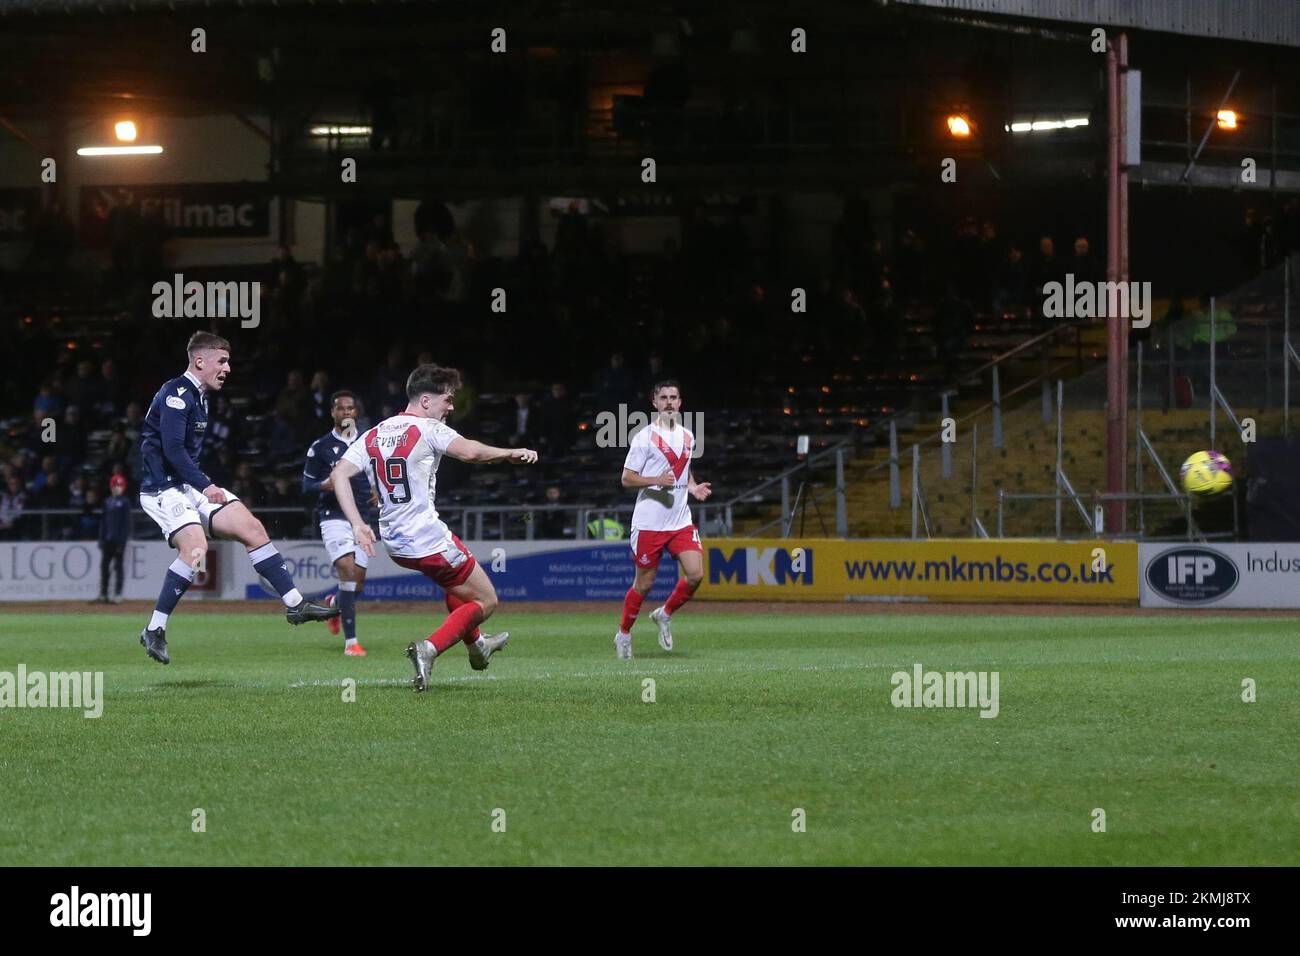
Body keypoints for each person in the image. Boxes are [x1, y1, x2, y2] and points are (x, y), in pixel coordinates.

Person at [329, 364, 538, 692]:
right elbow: (470, 452)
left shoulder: (375, 432)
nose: (451, 406)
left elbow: (339, 474)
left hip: (396, 544)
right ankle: (430, 648)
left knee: (458, 590)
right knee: (486, 601)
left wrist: (357, 524)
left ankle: (478, 646)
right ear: (426, 401)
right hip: (427, 539)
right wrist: (510, 453)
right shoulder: (427, 428)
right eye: (447, 400)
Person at [135, 331, 338, 665]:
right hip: (162, 487)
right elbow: (171, 450)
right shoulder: (177, 393)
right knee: (196, 548)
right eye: (222, 361)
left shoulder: (200, 397)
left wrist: (199, 485)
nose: (228, 369)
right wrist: (205, 485)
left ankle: (294, 604)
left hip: (187, 486)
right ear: (199, 361)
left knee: (252, 527)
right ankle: (155, 629)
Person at [614, 380, 712, 659]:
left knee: (696, 575)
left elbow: (684, 468)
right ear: (654, 403)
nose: (669, 402)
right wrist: (655, 479)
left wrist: (692, 487)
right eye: (664, 398)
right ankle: (623, 634)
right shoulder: (644, 437)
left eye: (674, 397)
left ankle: (664, 613)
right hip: (650, 522)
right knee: (644, 584)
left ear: (680, 403)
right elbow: (627, 478)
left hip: (679, 519)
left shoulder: (688, 436)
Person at [302, 390, 380, 657]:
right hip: (333, 517)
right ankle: (352, 644)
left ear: (355, 412)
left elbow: (374, 473)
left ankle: (334, 603)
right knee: (346, 569)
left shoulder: (367, 442)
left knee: (357, 583)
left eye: (350, 408)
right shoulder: (320, 447)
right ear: (333, 413)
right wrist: (329, 483)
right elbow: (306, 487)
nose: (346, 412)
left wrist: (375, 490)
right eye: (341, 408)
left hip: (362, 518)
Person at [97, 475, 131, 603]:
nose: (117, 488)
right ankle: (104, 593)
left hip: (118, 540)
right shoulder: (107, 502)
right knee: (104, 567)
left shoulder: (125, 502)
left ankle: (117, 594)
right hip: (107, 539)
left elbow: (126, 524)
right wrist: (101, 539)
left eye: (119, 486)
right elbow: (103, 522)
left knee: (118, 567)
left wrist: (122, 542)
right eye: (115, 485)